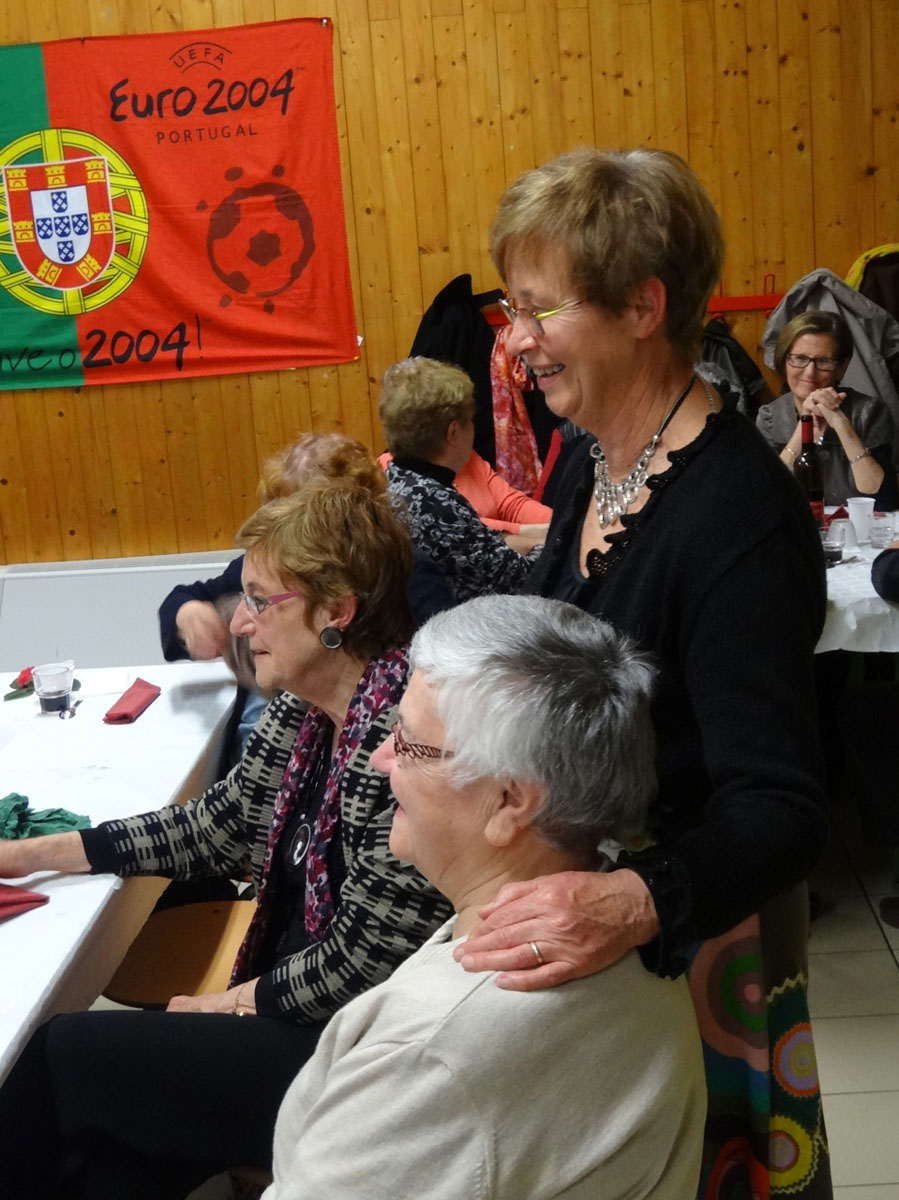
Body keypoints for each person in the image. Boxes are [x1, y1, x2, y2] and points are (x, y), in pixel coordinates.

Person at [456, 148, 833, 1198]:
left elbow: (780, 809)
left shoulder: (735, 515)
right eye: (509, 309)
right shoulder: (594, 460)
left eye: (538, 309)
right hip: (600, 934)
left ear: (641, 307)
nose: (515, 341)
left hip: (697, 940)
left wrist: (628, 903)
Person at [0, 475, 451, 1199]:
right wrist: (33, 854)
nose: (240, 623)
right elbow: (219, 827)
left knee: (57, 1056)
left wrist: (226, 1004)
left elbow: (366, 961)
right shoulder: (306, 709)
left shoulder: (405, 736)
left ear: (337, 610)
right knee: (107, 1159)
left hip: (356, 1052)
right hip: (298, 1010)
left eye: (261, 601)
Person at [263, 594, 706, 1199]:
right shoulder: (627, 933)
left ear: (508, 802)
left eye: (409, 742)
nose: (381, 758)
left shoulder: (433, 1057)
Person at [159, 433, 453, 767]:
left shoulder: (392, 740)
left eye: (303, 518)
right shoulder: (264, 567)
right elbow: (184, 600)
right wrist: (188, 614)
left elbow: (442, 666)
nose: (287, 532)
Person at [379, 356, 542, 601]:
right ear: (453, 432)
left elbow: (502, 518)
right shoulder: (433, 504)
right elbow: (522, 578)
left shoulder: (396, 477)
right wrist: (564, 541)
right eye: (471, 422)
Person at [756, 310, 899, 509]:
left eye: (823, 361)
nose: (809, 372)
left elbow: (884, 500)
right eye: (800, 358)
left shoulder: (870, 412)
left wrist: (841, 424)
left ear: (841, 367)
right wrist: (802, 431)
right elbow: (764, 498)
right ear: (784, 360)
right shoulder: (769, 417)